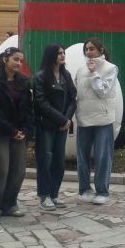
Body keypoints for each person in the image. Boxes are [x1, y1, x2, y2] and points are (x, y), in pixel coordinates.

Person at [0, 47, 33, 221]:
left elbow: (27, 108)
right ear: (5, 60)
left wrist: (24, 129)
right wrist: (11, 130)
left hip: (19, 133)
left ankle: (9, 203)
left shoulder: (24, 83)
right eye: (15, 59)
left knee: (18, 170)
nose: (18, 63)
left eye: (20, 60)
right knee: (1, 170)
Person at [74, 38, 120, 204]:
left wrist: (94, 73)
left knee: (102, 156)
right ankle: (84, 188)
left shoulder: (110, 68)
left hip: (103, 119)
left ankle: (102, 191)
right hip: (83, 118)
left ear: (101, 50)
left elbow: (104, 91)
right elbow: (76, 93)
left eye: (92, 48)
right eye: (86, 49)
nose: (88, 52)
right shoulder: (80, 70)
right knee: (82, 157)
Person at [33, 44, 77, 210]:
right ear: (51, 55)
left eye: (63, 52)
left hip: (62, 126)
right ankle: (44, 196)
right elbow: (41, 103)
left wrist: (67, 119)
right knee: (45, 160)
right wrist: (61, 119)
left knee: (59, 161)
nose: (62, 55)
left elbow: (74, 99)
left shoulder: (66, 75)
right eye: (59, 53)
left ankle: (54, 194)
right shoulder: (41, 77)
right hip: (47, 125)